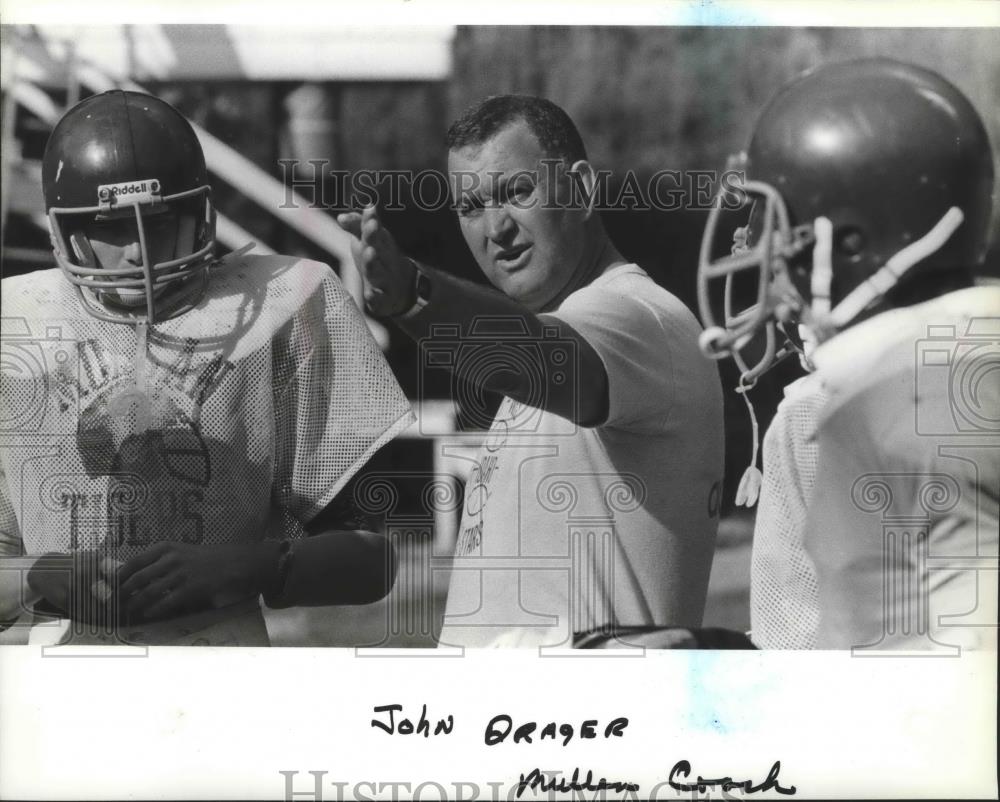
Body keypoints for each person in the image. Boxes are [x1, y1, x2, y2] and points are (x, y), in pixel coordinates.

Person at [0, 90, 414, 646]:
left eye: (159, 218)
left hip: (223, 663)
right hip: (62, 680)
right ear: (62, 232)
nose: (137, 252)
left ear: (201, 215)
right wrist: (36, 574)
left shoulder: (284, 306)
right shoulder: (18, 328)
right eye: (112, 224)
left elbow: (372, 562)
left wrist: (242, 567)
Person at [338, 95, 725, 649]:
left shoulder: (640, 317)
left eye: (518, 191)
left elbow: (535, 354)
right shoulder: (564, 336)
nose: (496, 228)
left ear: (583, 189)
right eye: (471, 207)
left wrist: (414, 297)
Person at [697, 58, 998, 651]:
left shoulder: (903, 398)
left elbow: (968, 674)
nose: (768, 264)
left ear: (850, 242)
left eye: (782, 236)